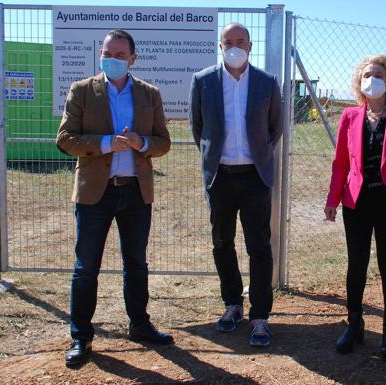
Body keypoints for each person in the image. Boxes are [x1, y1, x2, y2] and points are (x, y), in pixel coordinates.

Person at [57, 29, 173, 368]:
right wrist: (107, 143)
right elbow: (65, 139)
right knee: (85, 267)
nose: (113, 59)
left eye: (121, 55)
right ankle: (81, 336)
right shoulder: (82, 90)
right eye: (108, 53)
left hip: (136, 191)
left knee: (136, 263)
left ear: (133, 59)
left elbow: (163, 142)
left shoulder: (149, 94)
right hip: (95, 191)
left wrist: (142, 143)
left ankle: (140, 324)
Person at [324, 54, 386, 359]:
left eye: (378, 74)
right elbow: (341, 163)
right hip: (355, 203)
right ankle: (354, 325)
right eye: (367, 74)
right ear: (359, 82)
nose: (372, 79)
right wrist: (332, 199)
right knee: (356, 265)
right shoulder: (350, 117)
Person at [189, 22, 283, 347]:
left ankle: (260, 316)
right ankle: (233, 305)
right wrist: (214, 159)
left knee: (259, 246)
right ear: (220, 46)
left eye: (240, 40)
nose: (234, 45)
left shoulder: (267, 82)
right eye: (228, 41)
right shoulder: (202, 82)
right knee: (222, 243)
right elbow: (197, 127)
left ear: (250, 45)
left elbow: (276, 126)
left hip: (255, 177)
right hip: (221, 177)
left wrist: (257, 155)